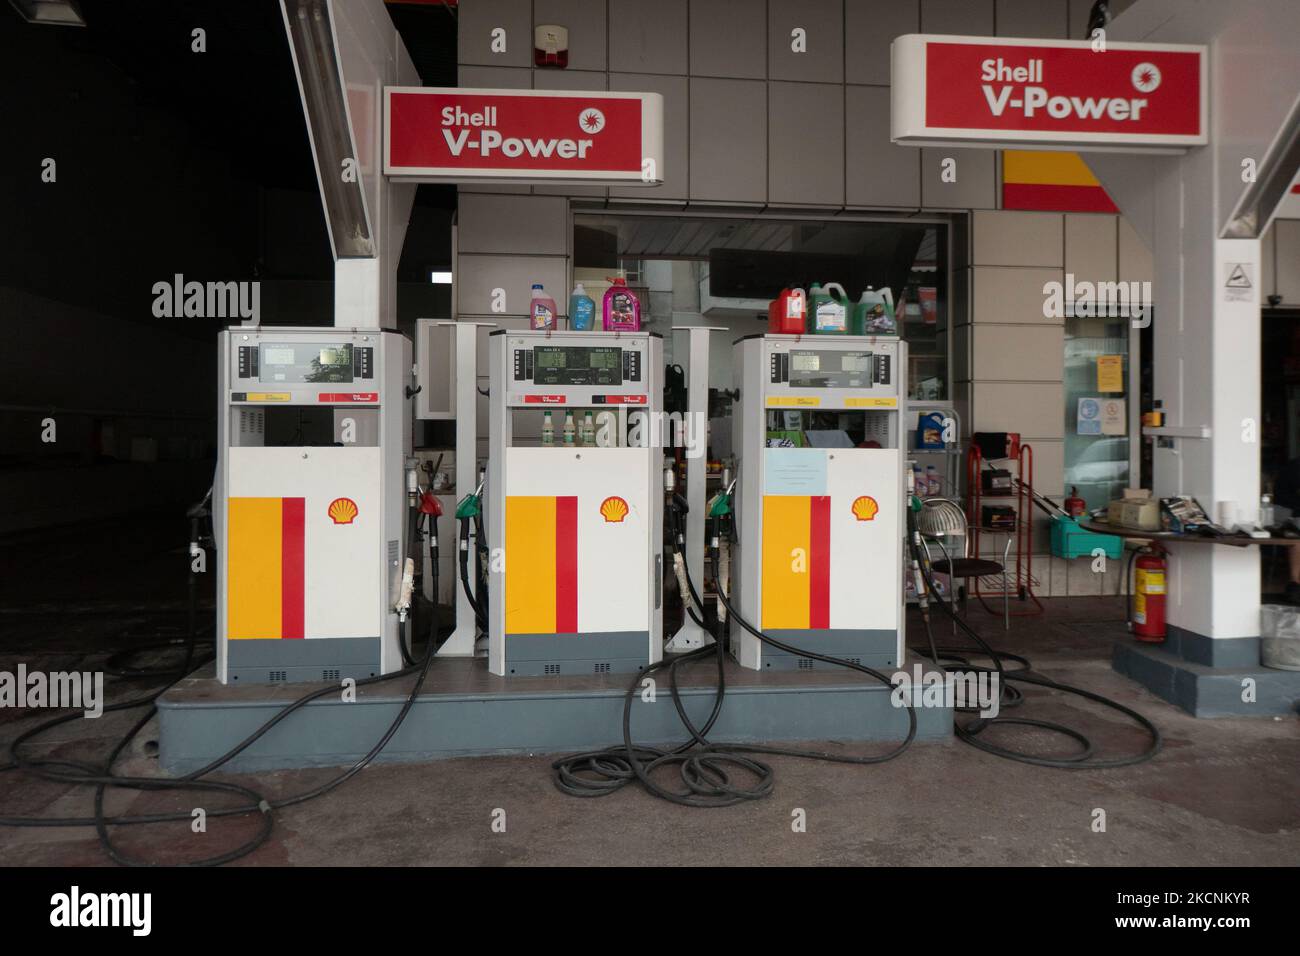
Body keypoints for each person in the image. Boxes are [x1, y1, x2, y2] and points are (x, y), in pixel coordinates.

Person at [1271, 456, 1300, 604]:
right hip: (1285, 512)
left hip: (1292, 511)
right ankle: (1295, 583)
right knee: (1297, 537)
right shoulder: (1296, 466)